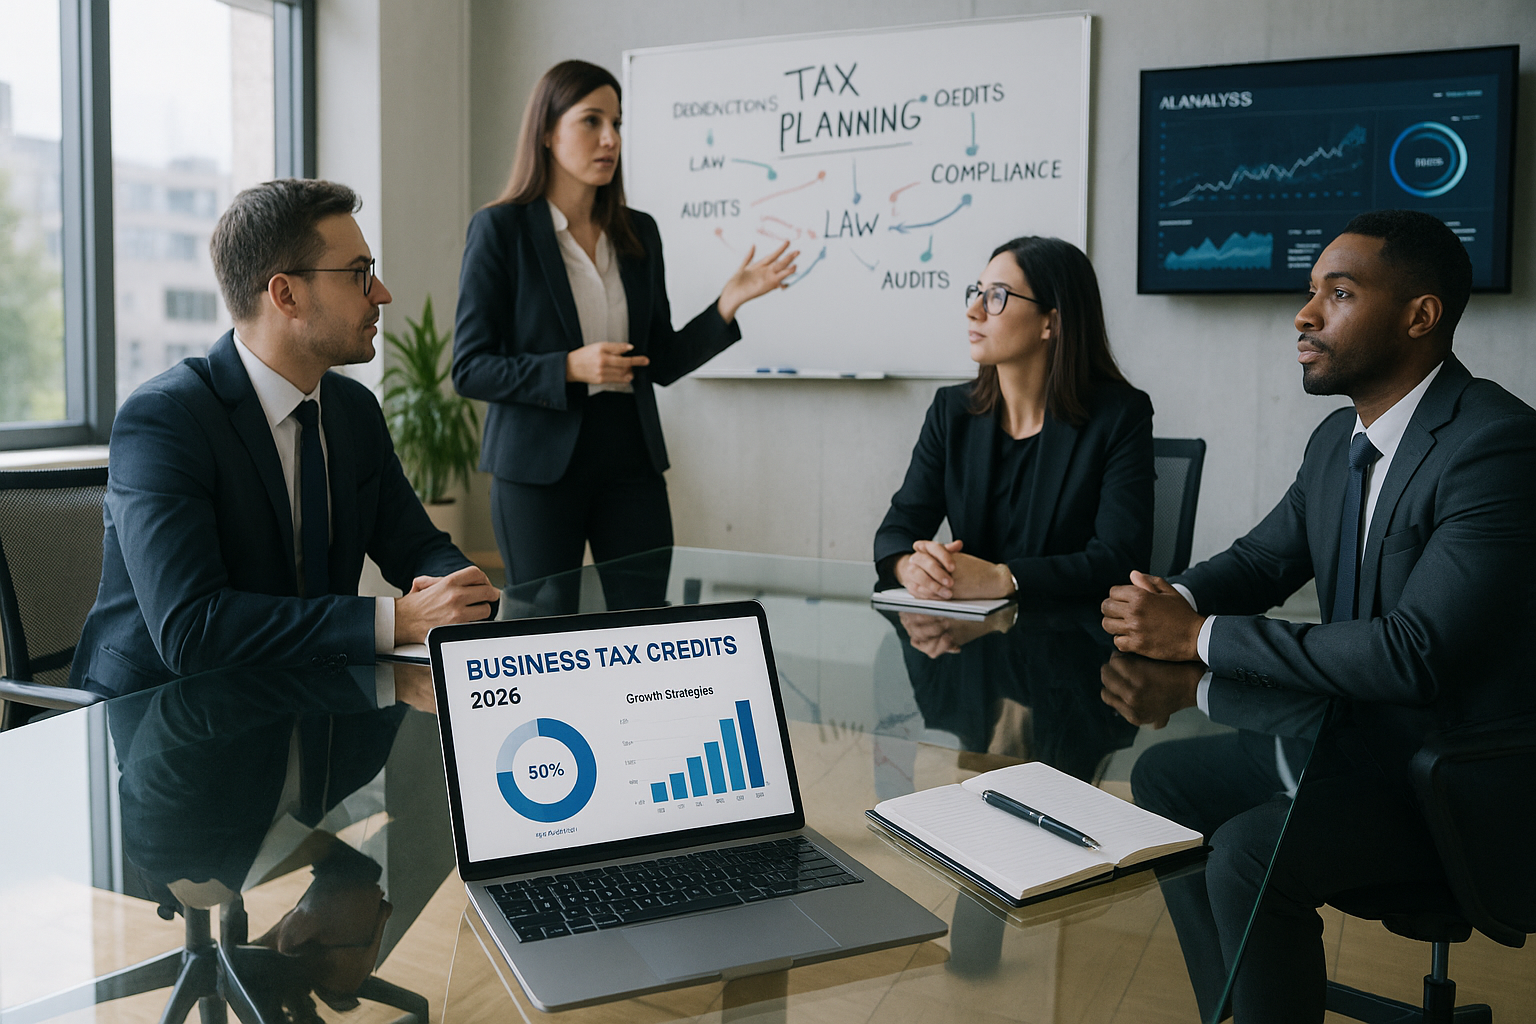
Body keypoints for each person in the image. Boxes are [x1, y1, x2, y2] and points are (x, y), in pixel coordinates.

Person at [1099, 209, 1536, 1023]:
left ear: (1420, 315)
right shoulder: (1338, 441)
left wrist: (1198, 638)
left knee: (1246, 855)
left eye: (1337, 293)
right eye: (1310, 293)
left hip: (1454, 784)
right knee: (1161, 779)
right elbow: (1263, 563)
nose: (1304, 315)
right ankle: (1241, 1005)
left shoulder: (1496, 445)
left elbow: (1413, 655)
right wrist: (1170, 601)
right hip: (1352, 750)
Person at [71, 179, 499, 697]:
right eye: (359, 274)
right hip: (165, 724)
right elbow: (193, 632)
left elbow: (417, 545)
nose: (381, 293)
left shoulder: (354, 411)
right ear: (286, 294)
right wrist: (397, 620)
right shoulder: (165, 420)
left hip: (311, 708)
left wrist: (460, 592)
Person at [452, 60, 797, 608]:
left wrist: (725, 305)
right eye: (591, 121)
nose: (610, 138)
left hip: (629, 458)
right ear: (547, 131)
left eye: (617, 123)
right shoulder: (501, 230)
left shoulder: (639, 232)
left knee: (645, 621)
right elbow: (470, 367)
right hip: (537, 467)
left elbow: (657, 360)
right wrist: (568, 367)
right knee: (542, 627)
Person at [873, 235, 1154, 603]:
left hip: (1071, 643)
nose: (974, 310)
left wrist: (1006, 579)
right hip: (966, 640)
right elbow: (897, 529)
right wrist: (910, 566)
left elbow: (1119, 560)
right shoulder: (951, 410)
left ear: (1050, 323)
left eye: (997, 296)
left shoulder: (1120, 416)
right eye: (977, 292)